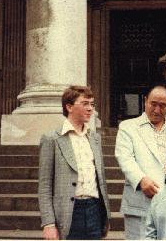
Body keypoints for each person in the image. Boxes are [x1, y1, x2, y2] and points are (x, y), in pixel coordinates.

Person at [38, 86, 110, 240]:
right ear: (69, 107)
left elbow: (100, 180)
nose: (90, 109)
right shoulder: (52, 139)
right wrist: (48, 224)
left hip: (94, 210)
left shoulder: (95, 139)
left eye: (92, 104)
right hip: (69, 212)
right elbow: (44, 186)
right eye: (85, 104)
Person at [115, 85, 166, 239]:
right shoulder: (128, 127)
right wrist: (141, 180)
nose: (157, 110)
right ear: (145, 101)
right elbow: (125, 158)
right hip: (140, 201)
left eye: (163, 106)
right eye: (153, 104)